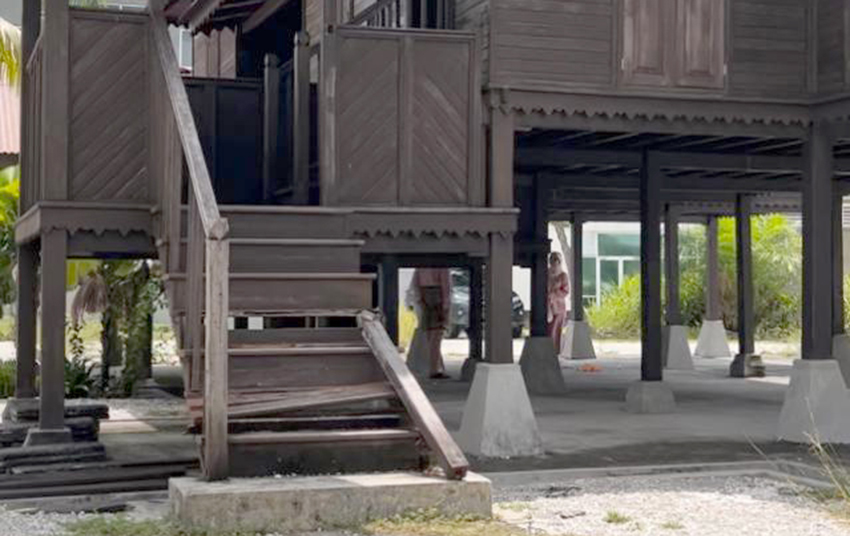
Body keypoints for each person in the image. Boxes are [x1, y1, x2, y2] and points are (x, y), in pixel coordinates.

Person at [410, 268, 451, 379]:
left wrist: (420, 300)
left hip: (423, 297)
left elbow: (415, 283)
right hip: (437, 298)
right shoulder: (442, 266)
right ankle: (434, 369)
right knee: (436, 336)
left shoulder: (420, 267)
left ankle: (435, 366)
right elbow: (446, 286)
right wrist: (446, 308)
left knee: (429, 336)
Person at [547, 252, 570, 354]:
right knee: (548, 330)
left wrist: (554, 295)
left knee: (556, 332)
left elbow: (566, 291)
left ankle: (555, 352)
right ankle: (547, 351)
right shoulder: (546, 273)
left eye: (557, 261)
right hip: (547, 307)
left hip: (559, 308)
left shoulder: (563, 276)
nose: (555, 263)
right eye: (553, 260)